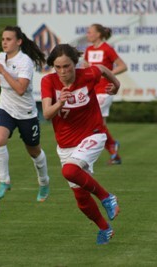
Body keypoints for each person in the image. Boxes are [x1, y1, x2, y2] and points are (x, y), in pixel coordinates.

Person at [41, 44, 120, 245]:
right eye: (57, 67)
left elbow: (102, 69)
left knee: (69, 170)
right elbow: (47, 114)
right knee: (82, 200)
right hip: (66, 146)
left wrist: (116, 85)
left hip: (93, 135)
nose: (62, 71)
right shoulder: (48, 81)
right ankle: (105, 229)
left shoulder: (87, 74)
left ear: (74, 64)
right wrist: (60, 103)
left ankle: (107, 197)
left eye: (66, 66)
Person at [0, 26, 51, 202]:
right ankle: (4, 181)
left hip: (26, 113)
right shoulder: (0, 56)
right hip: (6, 107)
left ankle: (44, 183)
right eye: (3, 39)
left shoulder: (24, 62)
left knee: (34, 151)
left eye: (9, 39)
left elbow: (20, 89)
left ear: (18, 42)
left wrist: (2, 70)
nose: (4, 42)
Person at [83, 24, 127, 165]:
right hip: (92, 90)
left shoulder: (107, 48)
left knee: (94, 122)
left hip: (105, 90)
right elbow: (86, 68)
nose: (87, 34)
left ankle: (109, 147)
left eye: (90, 32)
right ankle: (114, 152)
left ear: (98, 34)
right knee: (99, 124)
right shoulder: (89, 50)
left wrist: (108, 74)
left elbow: (122, 66)